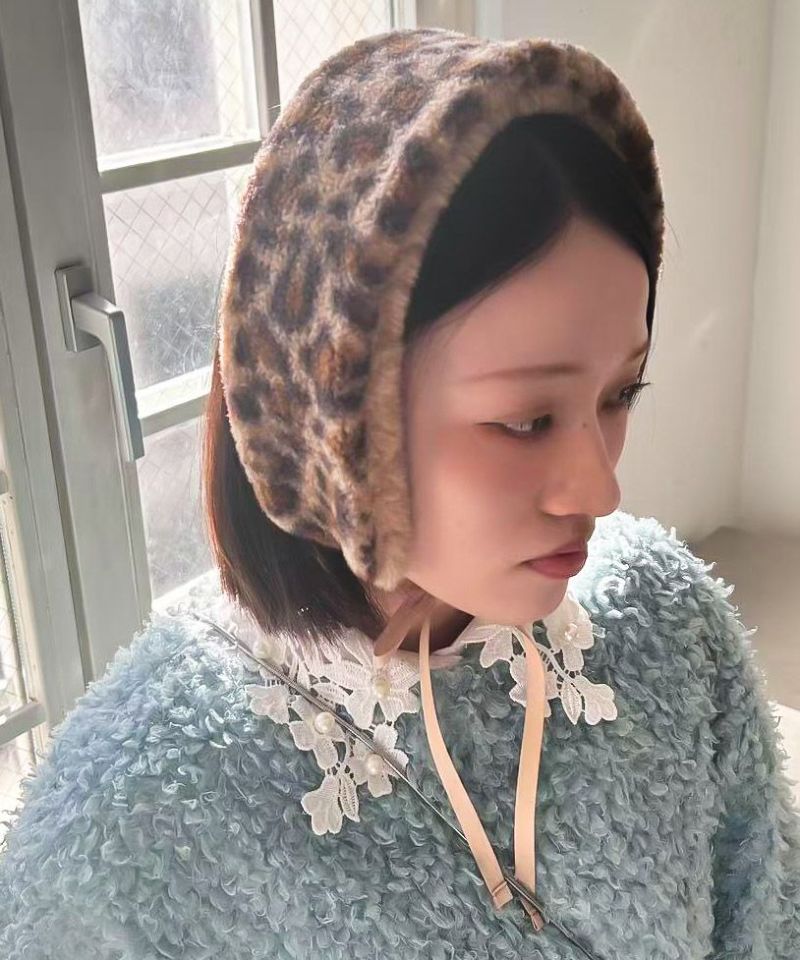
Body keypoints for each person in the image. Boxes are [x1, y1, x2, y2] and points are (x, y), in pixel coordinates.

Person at [1, 25, 799, 960]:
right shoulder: (131, 823)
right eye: (526, 420)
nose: (600, 486)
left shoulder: (672, 619)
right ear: (326, 411)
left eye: (622, 394)